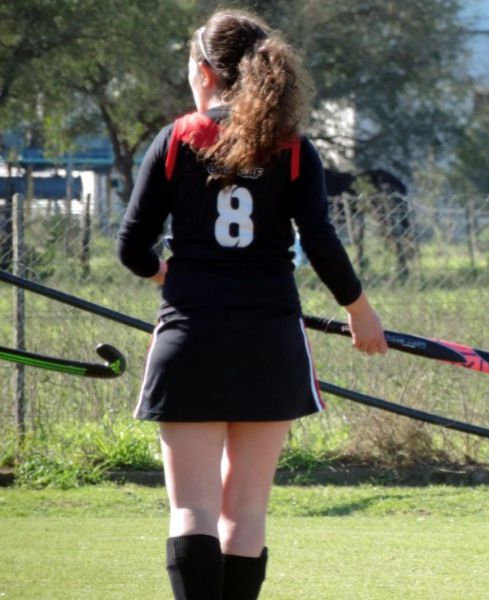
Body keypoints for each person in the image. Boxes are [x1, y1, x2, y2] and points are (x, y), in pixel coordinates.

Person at [117, 10, 388, 599]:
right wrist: (359, 310)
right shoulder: (293, 149)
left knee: (192, 508)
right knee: (245, 512)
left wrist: (163, 272)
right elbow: (320, 239)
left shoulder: (177, 138)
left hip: (190, 335)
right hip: (270, 339)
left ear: (207, 73)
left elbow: (130, 247)